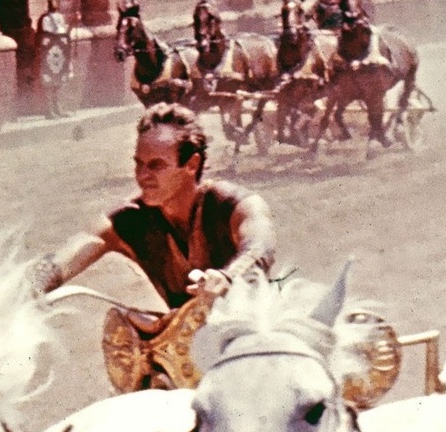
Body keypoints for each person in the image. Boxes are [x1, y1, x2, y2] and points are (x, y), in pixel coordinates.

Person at [33, 103, 276, 388]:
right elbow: (73, 251)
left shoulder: (234, 206)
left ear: (192, 165)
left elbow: (259, 248)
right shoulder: (129, 220)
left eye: (156, 165)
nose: (142, 175)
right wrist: (32, 284)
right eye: (139, 163)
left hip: (252, 355)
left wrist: (226, 277)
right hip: (182, 369)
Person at [37, 0, 73, 118]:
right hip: (50, 53)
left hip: (60, 52)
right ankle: (49, 110)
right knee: (49, 80)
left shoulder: (61, 17)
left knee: (59, 79)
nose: (54, 3)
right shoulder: (45, 19)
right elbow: (47, 34)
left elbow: (63, 32)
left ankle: (58, 107)